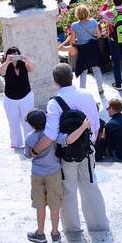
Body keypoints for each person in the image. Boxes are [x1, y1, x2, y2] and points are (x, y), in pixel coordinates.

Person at [43, 64, 110, 232]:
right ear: (72, 77)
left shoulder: (54, 103)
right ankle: (99, 225)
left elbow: (51, 134)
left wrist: (36, 150)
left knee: (68, 191)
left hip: (66, 154)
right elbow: (94, 125)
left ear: (55, 81)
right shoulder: (87, 95)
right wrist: (89, 143)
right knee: (91, 187)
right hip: (87, 151)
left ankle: (72, 228)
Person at [24, 110, 64, 243]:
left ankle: (40, 233)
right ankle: (55, 234)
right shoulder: (52, 134)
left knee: (40, 205)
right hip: (54, 172)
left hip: (37, 174)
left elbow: (28, 155)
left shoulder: (30, 138)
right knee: (54, 205)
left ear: (31, 125)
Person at [0, 48, 35, 150]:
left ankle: (29, 142)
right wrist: (7, 62)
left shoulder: (23, 64)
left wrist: (26, 59)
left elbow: (32, 68)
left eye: (16, 54)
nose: (14, 56)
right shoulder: (5, 66)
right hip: (10, 99)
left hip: (26, 96)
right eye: (11, 54)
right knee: (13, 122)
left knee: (27, 121)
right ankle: (16, 143)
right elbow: (1, 72)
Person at [62, 5, 104, 92]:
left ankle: (83, 90)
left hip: (82, 49)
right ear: (87, 12)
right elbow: (99, 35)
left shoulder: (74, 25)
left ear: (77, 14)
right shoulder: (93, 22)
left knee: (83, 71)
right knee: (96, 68)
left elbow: (73, 41)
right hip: (93, 47)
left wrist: (80, 38)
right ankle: (100, 89)